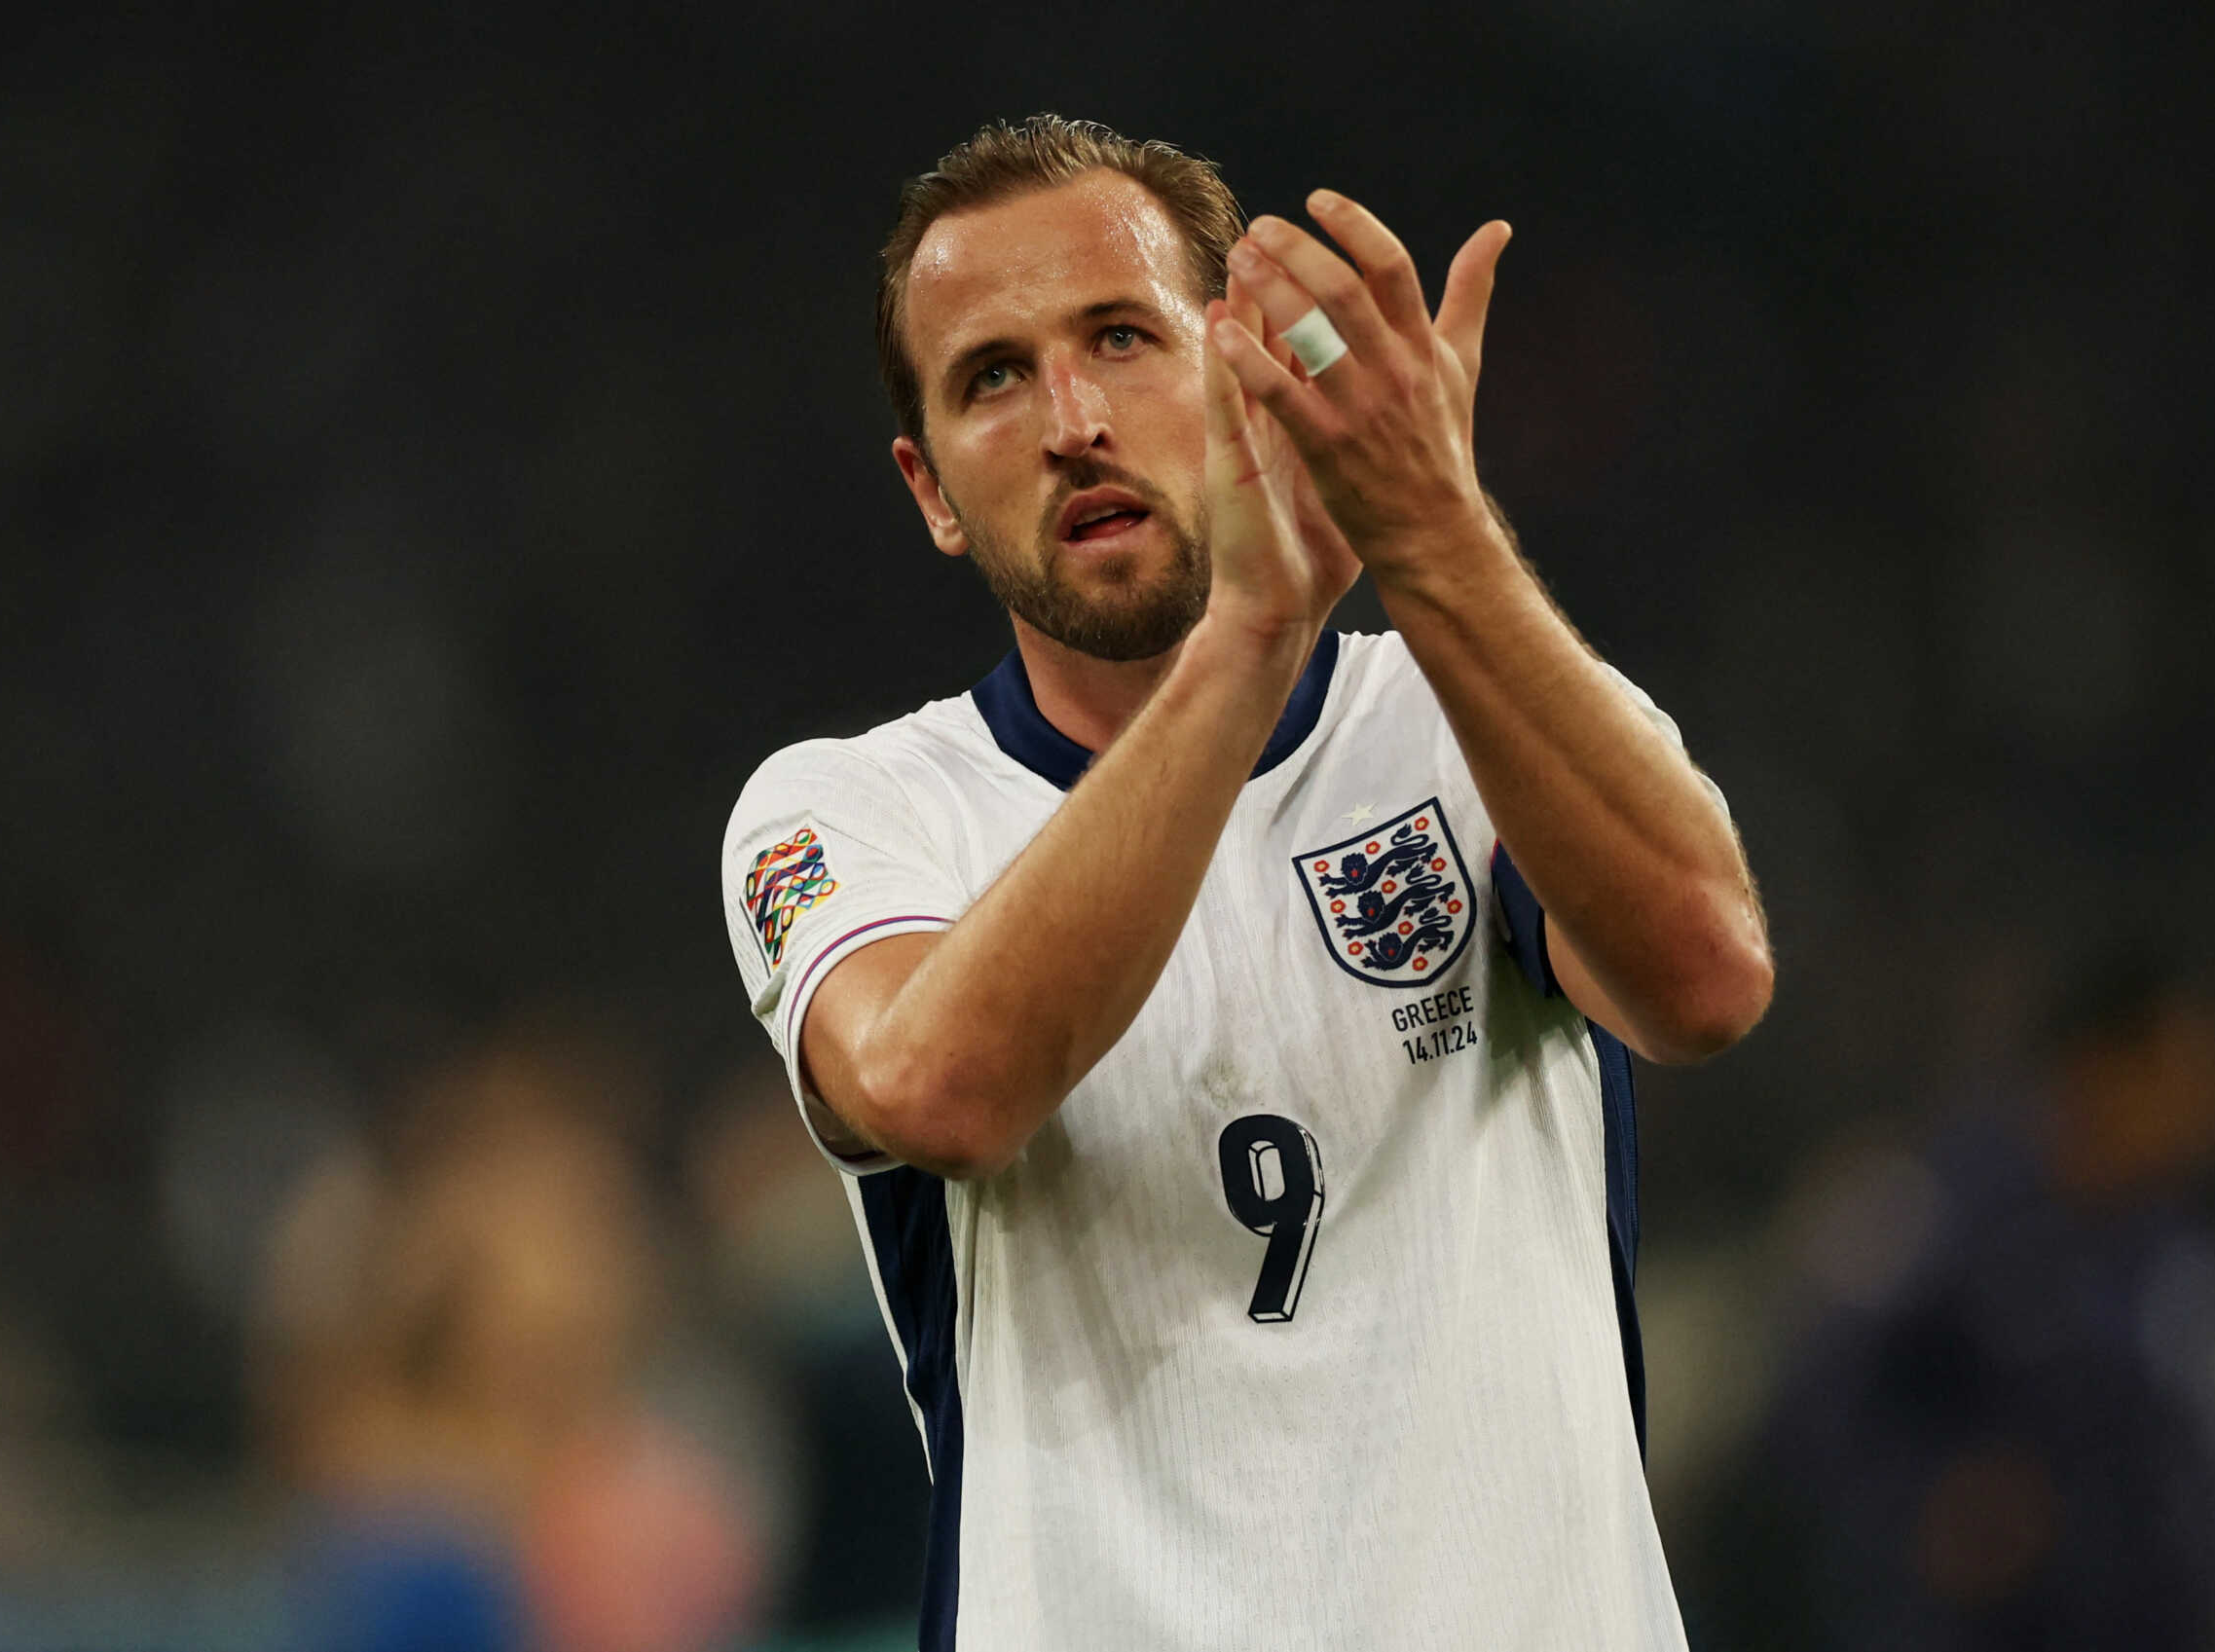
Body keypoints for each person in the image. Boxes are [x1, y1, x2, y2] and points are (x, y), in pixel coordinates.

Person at [719, 114, 1772, 1650]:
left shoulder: (1455, 716)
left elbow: (1708, 975)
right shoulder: (856, 810)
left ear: (1240, 368)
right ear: (931, 488)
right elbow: (937, 1088)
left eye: (1121, 337)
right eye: (993, 376)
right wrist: (1253, 635)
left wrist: (1436, 528)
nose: (1072, 415)